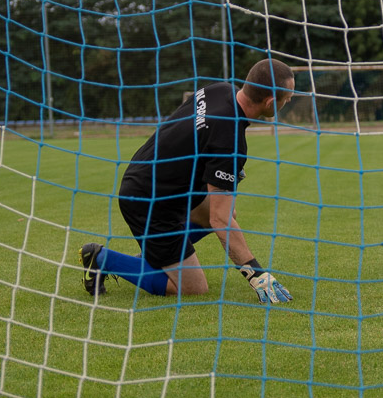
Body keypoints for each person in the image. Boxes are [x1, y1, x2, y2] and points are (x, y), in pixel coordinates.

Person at [79, 58, 295, 304]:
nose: (288, 102)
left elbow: (193, 133)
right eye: (287, 98)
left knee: (226, 210)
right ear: (270, 101)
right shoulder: (229, 140)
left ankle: (159, 256)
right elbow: (220, 221)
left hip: (149, 174)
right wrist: (256, 273)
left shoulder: (221, 89)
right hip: (148, 200)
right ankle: (101, 258)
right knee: (193, 287)